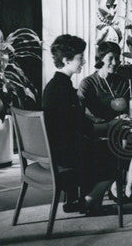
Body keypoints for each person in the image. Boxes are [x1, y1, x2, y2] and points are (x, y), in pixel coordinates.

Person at [41, 34, 118, 214]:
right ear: (67, 60)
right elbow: (82, 127)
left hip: (54, 150)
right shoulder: (63, 89)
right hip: (65, 155)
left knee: (99, 145)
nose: (83, 61)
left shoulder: (54, 85)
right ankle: (89, 200)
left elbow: (71, 123)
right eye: (80, 58)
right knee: (116, 152)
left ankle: (77, 200)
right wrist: (110, 126)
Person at [78, 41, 132, 198]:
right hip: (100, 128)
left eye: (118, 59)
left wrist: (131, 113)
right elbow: (81, 112)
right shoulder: (88, 83)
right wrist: (101, 121)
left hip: (123, 126)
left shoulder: (123, 82)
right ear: (101, 59)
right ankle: (116, 183)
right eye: (111, 58)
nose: (115, 63)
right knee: (125, 140)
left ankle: (128, 186)